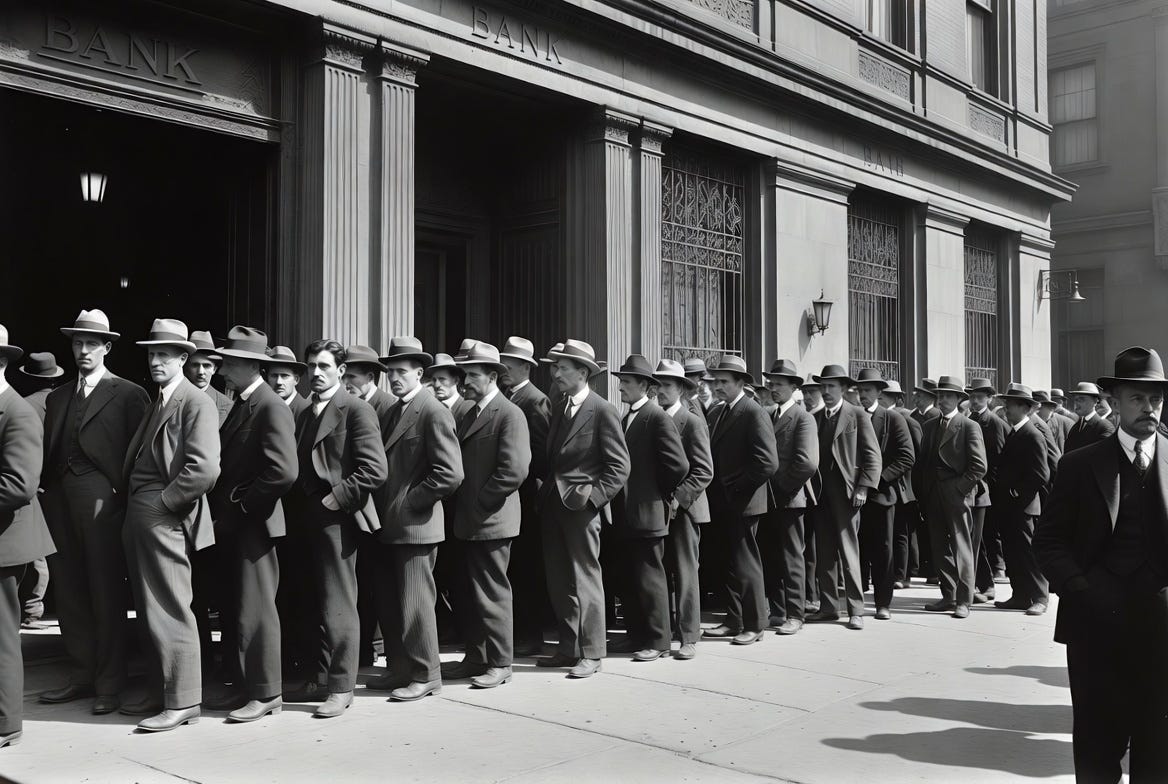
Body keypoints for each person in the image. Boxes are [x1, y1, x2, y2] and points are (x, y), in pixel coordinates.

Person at [1035, 346, 1168, 782]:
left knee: (1159, 747)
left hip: (1161, 631)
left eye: (1156, 399)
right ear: (1114, 401)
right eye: (1138, 398)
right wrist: (1081, 587)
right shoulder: (1079, 465)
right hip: (1096, 628)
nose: (1149, 408)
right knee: (1096, 746)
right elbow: (1050, 541)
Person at [39, 311, 149, 716]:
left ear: (107, 348)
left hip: (104, 502)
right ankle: (81, 674)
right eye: (77, 343)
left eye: (91, 344)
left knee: (106, 592)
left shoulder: (129, 393)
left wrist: (121, 496)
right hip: (60, 499)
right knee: (68, 590)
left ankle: (109, 683)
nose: (83, 351)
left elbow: (140, 455)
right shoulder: (59, 395)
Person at [122, 319, 221, 732]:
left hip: (164, 515)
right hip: (143, 515)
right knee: (148, 609)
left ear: (184, 358)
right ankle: (163, 689)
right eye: (151, 353)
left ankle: (183, 701)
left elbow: (204, 469)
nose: (156, 361)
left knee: (170, 606)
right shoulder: (160, 400)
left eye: (165, 354)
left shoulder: (195, 402)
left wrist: (164, 504)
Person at [286, 340, 387, 718]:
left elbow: (375, 470)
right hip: (305, 518)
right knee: (311, 600)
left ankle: (342, 686)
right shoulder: (305, 412)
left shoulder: (356, 410)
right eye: (312, 365)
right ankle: (320, 677)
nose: (316, 372)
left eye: (325, 366)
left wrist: (337, 497)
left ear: (341, 371)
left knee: (338, 603)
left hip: (337, 518)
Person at [205, 327, 298, 722]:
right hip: (240, 525)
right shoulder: (246, 402)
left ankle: (265, 692)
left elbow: (283, 472)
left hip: (255, 525)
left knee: (257, 609)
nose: (222, 368)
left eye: (228, 361)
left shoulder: (268, 405)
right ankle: (247, 686)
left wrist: (243, 504)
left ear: (248, 364)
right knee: (240, 608)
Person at [367, 337, 463, 702]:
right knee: (393, 604)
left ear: (420, 374)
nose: (393, 378)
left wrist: (410, 502)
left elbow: (450, 474)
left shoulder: (433, 410)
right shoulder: (393, 410)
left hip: (416, 526)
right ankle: (401, 668)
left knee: (417, 603)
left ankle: (426, 673)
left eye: (401, 372)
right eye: (390, 371)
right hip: (392, 526)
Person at [536, 340, 629, 679]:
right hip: (553, 506)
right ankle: (568, 647)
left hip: (581, 508)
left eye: (563, 367)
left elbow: (619, 466)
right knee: (560, 579)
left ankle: (592, 652)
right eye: (556, 367)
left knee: (585, 578)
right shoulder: (560, 405)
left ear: (583, 372)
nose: (556, 373)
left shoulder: (602, 409)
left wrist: (593, 499)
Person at [442, 341, 530, 688]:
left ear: (493, 376)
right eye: (464, 374)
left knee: (493, 592)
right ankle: (476, 656)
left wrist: (479, 503)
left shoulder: (509, 414)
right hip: (469, 521)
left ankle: (500, 662)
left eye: (473, 375)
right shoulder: (468, 412)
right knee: (470, 592)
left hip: (492, 520)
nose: (466, 381)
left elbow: (514, 470)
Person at [609, 355, 688, 662]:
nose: (620, 388)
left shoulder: (657, 417)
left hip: (649, 512)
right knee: (630, 577)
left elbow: (678, 466)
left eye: (626, 382)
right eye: (620, 382)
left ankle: (659, 641)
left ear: (644, 386)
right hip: (628, 514)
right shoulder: (626, 416)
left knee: (650, 578)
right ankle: (636, 635)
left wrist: (658, 493)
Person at [0, 325, 54, 749]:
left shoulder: (17, 412)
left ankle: (6, 724)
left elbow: (17, 484)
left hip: (5, 542)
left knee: (1, 637)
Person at [701, 355, 779, 644]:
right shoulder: (721, 411)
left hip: (744, 502)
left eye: (723, 382)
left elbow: (767, 463)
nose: (718, 386)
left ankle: (756, 624)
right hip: (725, 502)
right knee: (729, 563)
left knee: (746, 564)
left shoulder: (752, 411)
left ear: (740, 384)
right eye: (716, 381)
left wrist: (737, 487)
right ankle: (734, 619)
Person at [804, 365, 880, 630]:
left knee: (849, 552)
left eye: (831, 387)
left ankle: (856, 609)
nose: (825, 392)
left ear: (843, 389)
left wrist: (863, 487)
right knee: (824, 552)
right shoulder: (814, 418)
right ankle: (828, 607)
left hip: (846, 494)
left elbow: (872, 456)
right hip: (821, 494)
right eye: (822, 387)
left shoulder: (856, 415)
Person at [652, 360, 713, 658]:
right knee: (661, 570)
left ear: (681, 390)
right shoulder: (653, 418)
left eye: (667, 386)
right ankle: (664, 635)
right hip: (657, 508)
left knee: (686, 571)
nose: (661, 391)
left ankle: (689, 635)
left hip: (685, 509)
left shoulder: (691, 422)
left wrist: (679, 498)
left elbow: (704, 470)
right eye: (658, 386)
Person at [914, 376, 987, 619]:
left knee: (961, 546)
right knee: (939, 545)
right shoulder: (929, 425)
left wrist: (960, 489)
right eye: (940, 395)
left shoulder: (968, 426)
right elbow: (923, 463)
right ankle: (949, 595)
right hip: (934, 492)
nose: (943, 399)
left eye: (948, 396)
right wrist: (925, 492)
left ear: (958, 399)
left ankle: (964, 600)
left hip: (957, 493)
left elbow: (979, 467)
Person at [498, 336, 551, 656]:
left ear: (524, 368)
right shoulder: (509, 397)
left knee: (526, 569)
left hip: (526, 496)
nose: (503, 370)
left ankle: (531, 636)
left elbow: (542, 455)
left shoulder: (535, 401)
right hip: (512, 496)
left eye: (508, 365)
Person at [760, 360, 818, 635]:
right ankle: (778, 609)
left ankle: (796, 613)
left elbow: (807, 463)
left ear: (794, 388)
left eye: (779, 384)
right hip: (768, 499)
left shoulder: (802, 417)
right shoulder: (768, 414)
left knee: (792, 557)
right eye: (771, 384)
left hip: (790, 497)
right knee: (771, 556)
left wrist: (781, 488)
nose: (773, 388)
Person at [855, 369, 913, 621]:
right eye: (860, 390)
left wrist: (874, 481)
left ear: (880, 393)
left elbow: (907, 456)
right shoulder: (852, 416)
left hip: (881, 496)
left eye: (867, 391)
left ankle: (883, 603)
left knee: (883, 550)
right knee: (857, 549)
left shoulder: (892, 419)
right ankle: (856, 599)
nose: (862, 395)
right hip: (852, 495)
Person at [989, 384, 1050, 617]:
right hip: (1010, 506)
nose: (1007, 409)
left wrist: (1018, 494)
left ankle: (1040, 597)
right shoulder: (1015, 432)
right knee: (1013, 552)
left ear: (1025, 408)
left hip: (1023, 507)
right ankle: (1021, 595)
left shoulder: (1032, 434)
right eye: (1006, 405)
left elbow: (1041, 474)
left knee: (1028, 553)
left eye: (1011, 405)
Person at [17, 351, 63, 632]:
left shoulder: (22, 405)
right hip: (58, 484)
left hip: (32, 484)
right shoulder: (63, 402)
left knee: (36, 552)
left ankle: (32, 610)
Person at [965, 378, 1010, 602]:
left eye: (979, 397)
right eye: (972, 397)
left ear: (989, 399)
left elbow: (999, 460)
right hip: (974, 490)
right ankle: (981, 583)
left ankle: (988, 582)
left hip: (986, 491)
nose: (974, 400)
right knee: (977, 539)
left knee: (987, 538)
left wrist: (990, 489)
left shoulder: (993, 422)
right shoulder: (969, 419)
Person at [880, 380, 923, 589]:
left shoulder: (906, 420)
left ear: (897, 399)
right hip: (887, 487)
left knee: (901, 533)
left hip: (903, 486)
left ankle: (902, 575)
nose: (881, 398)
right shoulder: (877, 416)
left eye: (885, 395)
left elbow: (914, 456)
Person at [185, 331, 232, 425]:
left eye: (206, 366)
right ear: (185, 367)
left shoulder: (226, 405)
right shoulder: (171, 399)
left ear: (214, 369)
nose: (201, 372)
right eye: (195, 365)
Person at [1063, 382, 1115, 454]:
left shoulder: (1104, 427)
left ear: (1095, 401)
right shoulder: (1075, 427)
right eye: (1076, 399)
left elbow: (1105, 457)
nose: (1077, 403)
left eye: (1081, 399)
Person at [265, 346, 310, 419]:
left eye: (284, 376)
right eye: (274, 376)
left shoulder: (306, 411)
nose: (279, 382)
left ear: (296, 380)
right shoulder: (265, 408)